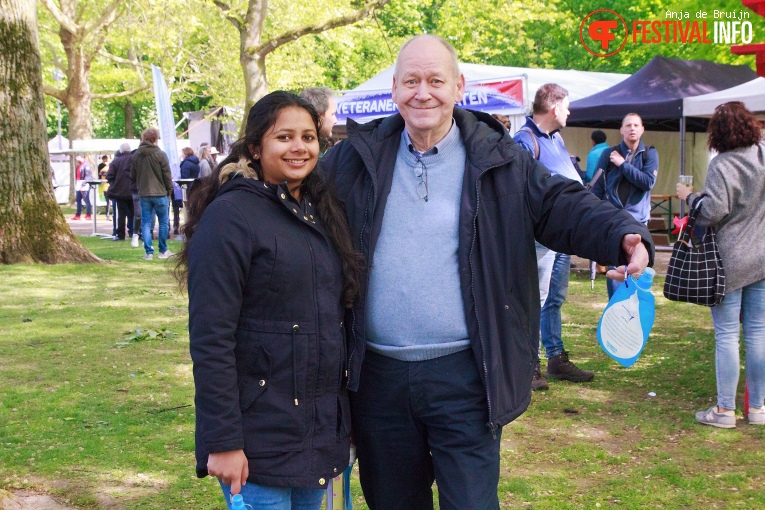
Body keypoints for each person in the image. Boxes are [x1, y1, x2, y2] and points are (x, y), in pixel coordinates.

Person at [320, 35, 653, 509]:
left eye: (436, 80)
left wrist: (621, 234)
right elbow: (295, 206)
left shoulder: (497, 157)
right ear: (394, 88)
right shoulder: (355, 159)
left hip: (466, 376)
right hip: (377, 381)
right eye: (411, 81)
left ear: (458, 87)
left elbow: (562, 204)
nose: (423, 92)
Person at [176, 91, 362, 510]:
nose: (299, 147)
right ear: (256, 147)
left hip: (314, 435)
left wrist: (341, 423)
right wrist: (222, 441)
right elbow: (211, 338)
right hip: (257, 439)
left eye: (308, 137)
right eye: (284, 137)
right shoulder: (231, 216)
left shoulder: (320, 211)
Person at [676, 101, 765, 429]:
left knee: (727, 334)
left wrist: (689, 196)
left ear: (718, 132)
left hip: (728, 260)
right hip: (762, 257)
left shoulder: (722, 164)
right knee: (758, 333)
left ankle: (725, 411)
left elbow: (712, 211)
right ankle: (757, 408)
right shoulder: (763, 154)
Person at [513, 84, 594, 390]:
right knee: (534, 300)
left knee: (553, 299)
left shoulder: (555, 139)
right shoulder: (525, 142)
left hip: (560, 239)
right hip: (538, 240)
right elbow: (517, 193)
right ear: (555, 107)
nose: (570, 112)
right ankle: (527, 364)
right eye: (567, 106)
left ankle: (555, 358)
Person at [591, 113, 659, 298]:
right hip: (614, 220)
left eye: (636, 125)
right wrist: (594, 215)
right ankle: (615, 314)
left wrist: (623, 165)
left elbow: (647, 182)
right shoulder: (608, 154)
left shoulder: (650, 153)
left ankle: (633, 315)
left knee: (637, 269)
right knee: (616, 270)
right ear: (621, 130)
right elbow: (597, 186)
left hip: (638, 222)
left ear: (642, 129)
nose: (632, 129)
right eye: (628, 125)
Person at [130, 128, 174, 260]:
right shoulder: (160, 154)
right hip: (160, 192)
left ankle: (148, 252)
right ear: (155, 138)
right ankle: (163, 250)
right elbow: (167, 175)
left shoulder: (137, 155)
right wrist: (169, 191)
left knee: (146, 223)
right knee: (163, 222)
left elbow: (132, 174)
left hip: (144, 193)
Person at [105, 143, 135, 241]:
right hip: (133, 190)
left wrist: (115, 183)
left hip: (119, 192)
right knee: (133, 213)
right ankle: (133, 232)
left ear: (121, 150)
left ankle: (121, 234)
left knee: (121, 214)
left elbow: (109, 176)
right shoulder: (134, 159)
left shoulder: (115, 161)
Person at [72, 154, 92, 220]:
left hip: (84, 183)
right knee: (78, 200)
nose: (76, 159)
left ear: (81, 157)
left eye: (78, 157)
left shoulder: (86, 165)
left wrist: (83, 185)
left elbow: (88, 176)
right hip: (78, 182)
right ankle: (78, 215)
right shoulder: (79, 165)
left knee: (86, 200)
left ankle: (88, 214)